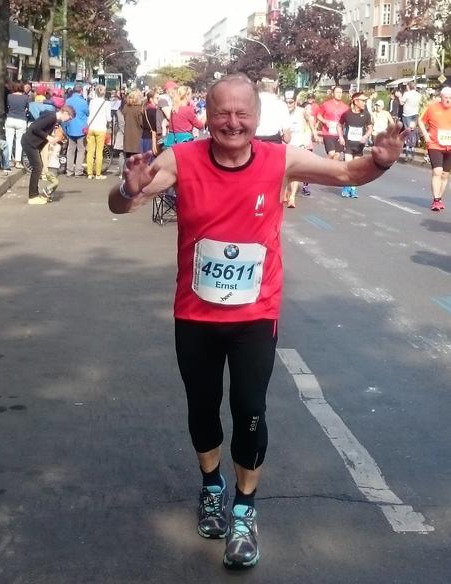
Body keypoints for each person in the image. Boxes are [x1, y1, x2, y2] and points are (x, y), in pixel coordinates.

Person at [108, 73, 407, 570]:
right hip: (195, 314)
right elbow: (126, 201)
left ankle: (244, 510)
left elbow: (349, 173)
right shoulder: (181, 158)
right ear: (207, 115)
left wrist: (379, 160)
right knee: (202, 409)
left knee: (250, 408)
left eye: (242, 112)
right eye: (222, 112)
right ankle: (211, 487)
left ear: (257, 117)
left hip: (254, 315)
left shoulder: (279, 158)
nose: (232, 122)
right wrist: (126, 188)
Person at [21, 105, 75, 205]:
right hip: (29, 143)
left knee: (38, 168)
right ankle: (32, 197)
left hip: (33, 144)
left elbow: (41, 128)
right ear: (65, 113)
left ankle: (35, 194)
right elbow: (35, 127)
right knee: (37, 168)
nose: (68, 120)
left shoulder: (54, 119)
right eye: (69, 118)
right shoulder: (52, 117)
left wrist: (52, 139)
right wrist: (48, 137)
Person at [418, 86, 451, 212]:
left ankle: (439, 198)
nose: (448, 100)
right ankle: (436, 200)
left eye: (450, 98)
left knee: (445, 175)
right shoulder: (432, 108)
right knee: (437, 171)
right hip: (435, 145)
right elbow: (420, 121)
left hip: (449, 146)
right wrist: (425, 135)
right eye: (446, 98)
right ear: (441, 97)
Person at [338, 92, 373, 198]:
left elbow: (370, 128)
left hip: (359, 146)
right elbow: (339, 125)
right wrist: (340, 137)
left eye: (365, 101)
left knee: (356, 168)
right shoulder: (347, 114)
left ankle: (353, 189)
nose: (364, 103)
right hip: (348, 144)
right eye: (362, 101)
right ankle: (346, 187)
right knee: (348, 167)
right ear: (355, 101)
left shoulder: (366, 114)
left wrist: (365, 136)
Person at [285, 97, 319, 206]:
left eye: (291, 102)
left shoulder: (301, 111)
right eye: (287, 102)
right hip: (285, 145)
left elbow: (310, 121)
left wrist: (314, 133)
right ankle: (286, 191)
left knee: (295, 172)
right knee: (285, 171)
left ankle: (292, 197)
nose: (288, 104)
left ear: (295, 102)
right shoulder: (282, 111)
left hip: (298, 145)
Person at [255, 68, 291, 143]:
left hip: (253, 145)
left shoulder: (250, 102)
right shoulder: (281, 105)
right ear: (276, 83)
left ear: (258, 83)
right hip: (273, 145)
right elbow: (287, 138)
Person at [86, 84, 111, 180]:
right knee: (99, 152)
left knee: (90, 151)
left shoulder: (91, 102)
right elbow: (108, 118)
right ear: (104, 93)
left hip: (91, 127)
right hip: (101, 128)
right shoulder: (106, 103)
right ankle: (98, 174)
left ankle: (89, 173)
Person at [317, 86, 349, 160]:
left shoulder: (345, 107)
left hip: (339, 134)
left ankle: (332, 171)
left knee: (336, 155)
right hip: (328, 132)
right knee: (331, 153)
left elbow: (347, 120)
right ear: (333, 94)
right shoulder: (326, 104)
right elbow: (318, 116)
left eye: (341, 92)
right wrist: (325, 121)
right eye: (337, 92)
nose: (339, 94)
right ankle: (324, 167)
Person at [65, 84, 89, 177]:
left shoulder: (68, 101)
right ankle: (78, 171)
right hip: (81, 129)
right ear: (81, 91)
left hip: (70, 127)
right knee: (81, 150)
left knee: (70, 150)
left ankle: (69, 171)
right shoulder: (83, 102)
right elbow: (87, 113)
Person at [5, 81, 29, 168]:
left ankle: (7, 161)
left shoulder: (9, 96)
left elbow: (8, 106)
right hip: (21, 120)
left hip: (10, 119)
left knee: (9, 141)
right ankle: (17, 162)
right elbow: (27, 109)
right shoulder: (26, 97)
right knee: (19, 141)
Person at [122, 89, 144, 158]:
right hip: (138, 138)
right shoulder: (140, 109)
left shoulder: (125, 108)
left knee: (128, 160)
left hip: (127, 137)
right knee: (137, 162)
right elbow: (142, 123)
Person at [141, 89, 159, 154]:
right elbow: (156, 126)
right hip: (151, 138)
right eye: (157, 98)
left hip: (144, 137)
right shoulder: (153, 110)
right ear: (151, 99)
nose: (158, 100)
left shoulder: (145, 109)